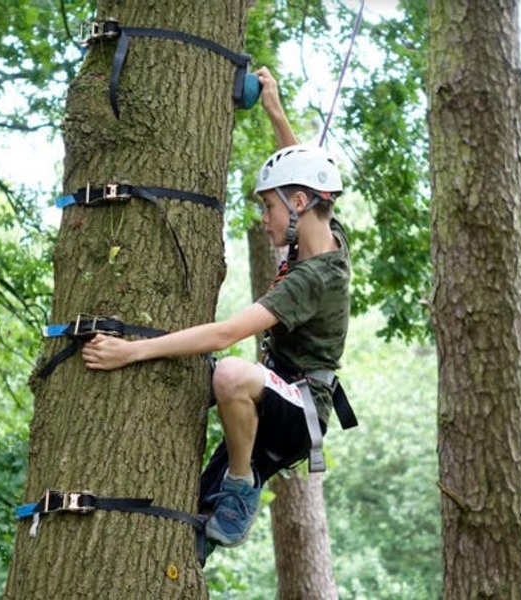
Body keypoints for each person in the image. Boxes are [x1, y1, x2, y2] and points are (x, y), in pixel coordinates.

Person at [81, 67, 351, 549]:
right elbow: (307, 183)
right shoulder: (322, 236)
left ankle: (241, 487)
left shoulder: (314, 278)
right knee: (196, 523)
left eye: (268, 208)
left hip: (299, 410)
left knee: (225, 371)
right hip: (271, 397)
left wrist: (132, 352)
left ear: (297, 206)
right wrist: (275, 112)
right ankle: (221, 505)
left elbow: (228, 334)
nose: (264, 219)